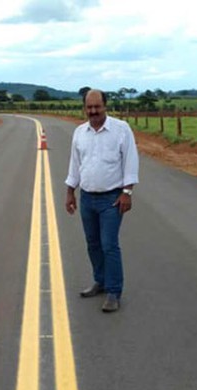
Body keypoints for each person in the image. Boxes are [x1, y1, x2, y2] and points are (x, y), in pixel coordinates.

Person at [65, 89, 139, 313]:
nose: (93, 111)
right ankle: (101, 281)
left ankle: (114, 292)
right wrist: (70, 192)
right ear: (84, 108)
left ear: (105, 106)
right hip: (87, 198)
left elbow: (130, 162)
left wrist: (127, 192)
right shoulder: (80, 132)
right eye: (89, 107)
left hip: (111, 199)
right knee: (93, 244)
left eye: (97, 106)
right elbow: (75, 164)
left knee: (109, 245)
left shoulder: (121, 130)